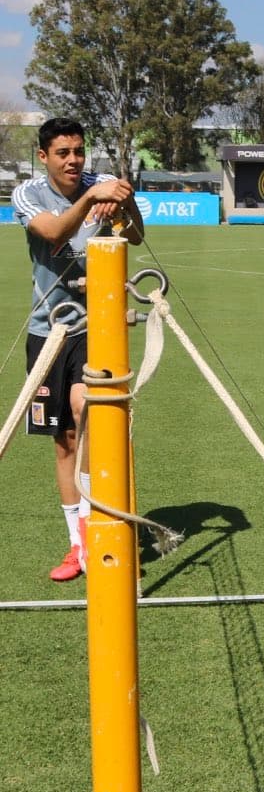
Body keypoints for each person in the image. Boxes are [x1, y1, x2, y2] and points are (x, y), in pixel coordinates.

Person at [13, 118, 144, 581]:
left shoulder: (100, 187)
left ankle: (102, 530)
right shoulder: (27, 194)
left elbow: (136, 237)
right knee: (64, 439)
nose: (73, 161)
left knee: (85, 409)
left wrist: (125, 205)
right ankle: (79, 543)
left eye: (79, 151)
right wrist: (93, 197)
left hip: (98, 325)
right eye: (63, 152)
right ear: (44, 156)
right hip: (45, 331)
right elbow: (52, 233)